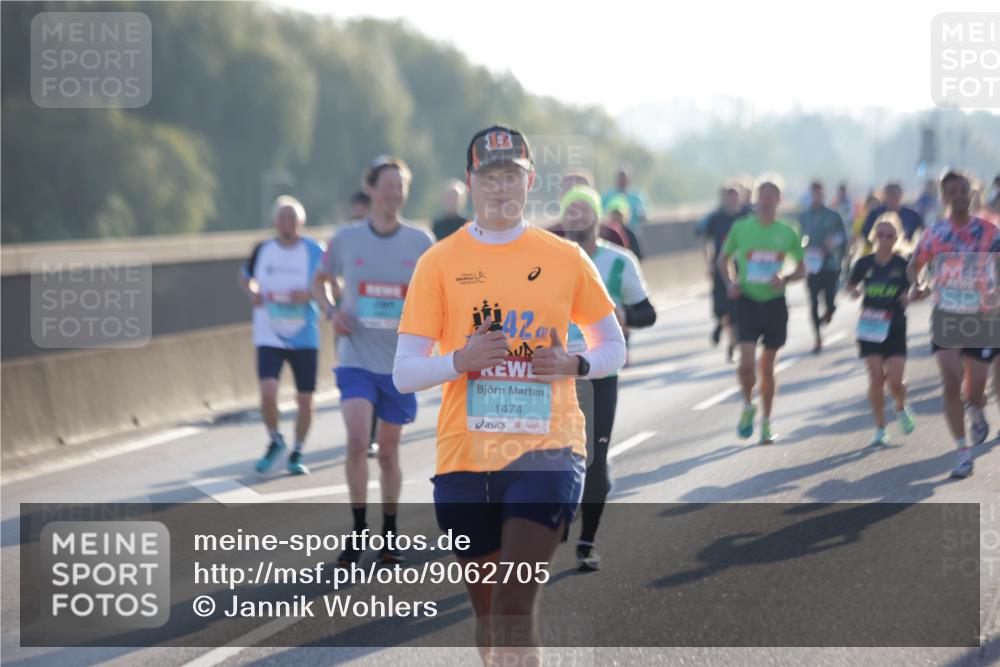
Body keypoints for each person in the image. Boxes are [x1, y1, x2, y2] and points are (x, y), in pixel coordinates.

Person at [392, 125, 625, 663]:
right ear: (471, 182)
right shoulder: (439, 262)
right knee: (489, 615)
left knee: (514, 607)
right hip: (465, 458)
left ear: (530, 182)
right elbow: (404, 372)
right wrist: (460, 361)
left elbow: (613, 346)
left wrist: (574, 362)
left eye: (511, 177)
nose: (500, 188)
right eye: (489, 177)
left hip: (548, 450)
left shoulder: (565, 257)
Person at [312, 155, 434, 565]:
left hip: (401, 361)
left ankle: (390, 532)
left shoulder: (421, 242)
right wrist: (331, 312)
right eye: (388, 185)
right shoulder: (346, 238)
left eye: (401, 186)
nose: (395, 193)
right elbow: (319, 282)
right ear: (371, 189)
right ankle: (358, 531)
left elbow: (439, 292)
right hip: (356, 357)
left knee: (388, 453)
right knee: (358, 440)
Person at [559, 185, 656, 571]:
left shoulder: (620, 262)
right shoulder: (548, 260)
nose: (577, 215)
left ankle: (587, 541)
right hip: (553, 371)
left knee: (594, 459)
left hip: (600, 371)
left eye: (585, 209)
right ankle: (557, 518)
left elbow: (648, 313)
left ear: (597, 216)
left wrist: (624, 319)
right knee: (552, 457)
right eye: (571, 210)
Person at [907, 170, 1000, 479]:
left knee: (974, 392)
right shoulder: (934, 234)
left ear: (972, 194)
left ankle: (975, 409)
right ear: (944, 197)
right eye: (952, 192)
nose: (959, 196)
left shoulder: (989, 232)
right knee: (949, 380)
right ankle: (962, 451)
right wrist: (918, 285)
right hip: (947, 315)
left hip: (982, 317)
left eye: (964, 191)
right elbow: (914, 266)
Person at [240, 196, 325, 476]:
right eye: (282, 217)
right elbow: (246, 275)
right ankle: (275, 439)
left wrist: (310, 294)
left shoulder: (314, 250)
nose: (287, 223)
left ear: (301, 221)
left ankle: (297, 449)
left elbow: (332, 285)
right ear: (275, 221)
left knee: (304, 400)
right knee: (268, 390)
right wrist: (252, 291)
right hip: (269, 333)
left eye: (292, 218)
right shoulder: (263, 249)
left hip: (304, 335)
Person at [716, 177, 805, 444]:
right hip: (747, 301)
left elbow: (801, 269)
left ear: (779, 200)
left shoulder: (788, 232)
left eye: (772, 195)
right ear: (755, 199)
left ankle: (766, 421)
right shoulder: (741, 228)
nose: (766, 200)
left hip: (775, 303)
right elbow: (723, 260)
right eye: (762, 195)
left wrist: (786, 278)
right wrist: (731, 283)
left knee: (767, 367)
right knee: (745, 365)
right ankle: (747, 405)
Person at [846, 213, 917, 446]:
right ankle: (879, 428)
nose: (885, 239)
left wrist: (911, 295)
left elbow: (920, 286)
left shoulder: (903, 264)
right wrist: (854, 292)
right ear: (873, 235)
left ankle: (900, 405)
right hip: (870, 326)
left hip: (895, 325)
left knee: (895, 382)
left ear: (897, 238)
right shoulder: (863, 263)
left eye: (890, 235)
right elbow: (850, 285)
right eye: (881, 234)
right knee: (876, 378)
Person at [698, 184, 750, 359]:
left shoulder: (747, 216)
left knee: (737, 309)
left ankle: (732, 342)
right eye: (729, 196)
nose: (732, 199)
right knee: (721, 307)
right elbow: (706, 241)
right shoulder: (716, 218)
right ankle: (721, 326)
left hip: (741, 267)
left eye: (735, 196)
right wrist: (709, 264)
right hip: (721, 266)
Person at [799, 181, 849, 354]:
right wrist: (802, 248)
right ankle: (817, 338)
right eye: (813, 194)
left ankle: (829, 312)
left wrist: (833, 244)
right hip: (812, 265)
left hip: (830, 264)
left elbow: (843, 238)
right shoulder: (804, 215)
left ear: (824, 195)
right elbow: (799, 236)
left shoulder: (833, 215)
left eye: (819, 194)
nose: (816, 197)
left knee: (830, 300)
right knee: (812, 301)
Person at [861, 182, 924, 249]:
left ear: (901, 195)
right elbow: (866, 233)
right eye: (890, 194)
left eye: (895, 195)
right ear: (885, 195)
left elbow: (920, 233)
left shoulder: (912, 216)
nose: (892, 198)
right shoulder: (875, 214)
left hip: (904, 253)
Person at [602, 164, 649, 247]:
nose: (622, 180)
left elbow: (643, 214)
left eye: (624, 178)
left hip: (631, 234)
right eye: (620, 178)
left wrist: (642, 216)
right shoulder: (608, 195)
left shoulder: (636, 196)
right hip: (611, 236)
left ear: (629, 179)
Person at [604, 195, 643, 260]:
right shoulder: (604, 233)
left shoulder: (630, 234)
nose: (616, 217)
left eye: (619, 215)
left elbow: (638, 256)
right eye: (614, 214)